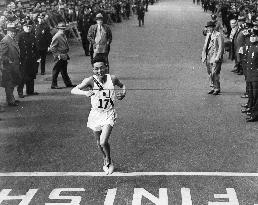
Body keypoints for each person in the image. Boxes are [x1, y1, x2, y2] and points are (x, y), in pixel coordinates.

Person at [71, 57, 126, 174]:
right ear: (93, 69)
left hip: (109, 113)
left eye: (101, 68)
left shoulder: (113, 79)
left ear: (106, 67)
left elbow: (122, 86)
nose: (99, 71)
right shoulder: (90, 80)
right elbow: (74, 90)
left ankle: (109, 160)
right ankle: (106, 160)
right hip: (96, 114)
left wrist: (123, 93)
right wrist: (85, 92)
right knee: (99, 142)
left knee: (103, 141)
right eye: (96, 69)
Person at [48, 22, 76, 89]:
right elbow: (52, 48)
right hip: (59, 56)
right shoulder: (57, 36)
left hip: (64, 55)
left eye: (64, 28)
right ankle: (53, 84)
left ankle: (68, 83)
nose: (63, 30)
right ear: (58, 29)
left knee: (64, 71)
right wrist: (58, 55)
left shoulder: (63, 35)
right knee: (56, 71)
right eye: (61, 29)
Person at [0, 23, 22, 106]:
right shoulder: (5, 41)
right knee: (9, 84)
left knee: (12, 83)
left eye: (14, 31)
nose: (14, 33)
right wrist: (9, 61)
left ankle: (11, 99)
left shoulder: (12, 39)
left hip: (14, 66)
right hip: (8, 67)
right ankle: (10, 101)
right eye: (11, 31)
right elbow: (2, 55)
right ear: (7, 32)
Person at [17, 20, 39, 97]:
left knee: (31, 75)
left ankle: (30, 91)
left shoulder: (32, 36)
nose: (28, 28)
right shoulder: (19, 36)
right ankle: (20, 92)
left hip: (32, 58)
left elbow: (35, 48)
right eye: (27, 26)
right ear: (23, 27)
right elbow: (17, 48)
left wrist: (37, 58)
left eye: (30, 26)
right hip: (23, 59)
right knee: (22, 77)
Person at [202, 21, 224, 95]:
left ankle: (217, 88)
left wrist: (218, 57)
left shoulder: (218, 35)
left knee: (215, 73)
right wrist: (203, 55)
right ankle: (212, 87)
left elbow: (221, 47)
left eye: (211, 27)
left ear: (214, 27)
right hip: (208, 56)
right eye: (208, 27)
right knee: (209, 73)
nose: (209, 29)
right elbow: (206, 45)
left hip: (215, 56)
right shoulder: (208, 34)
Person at [245, 23, 258, 122]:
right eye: (251, 36)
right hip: (250, 74)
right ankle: (252, 111)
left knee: (256, 96)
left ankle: (255, 115)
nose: (252, 37)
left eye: (254, 36)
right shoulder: (251, 46)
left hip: (256, 75)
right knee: (251, 94)